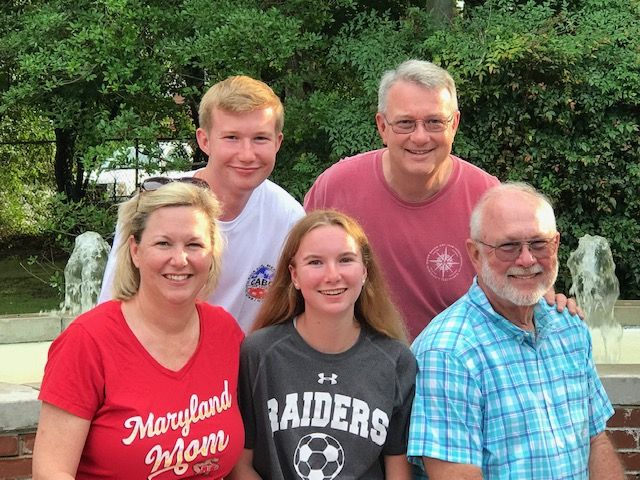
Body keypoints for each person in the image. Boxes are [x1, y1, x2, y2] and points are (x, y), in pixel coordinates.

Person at [408, 182, 625, 479]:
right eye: (508, 246)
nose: (527, 259)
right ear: (475, 254)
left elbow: (595, 440)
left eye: (539, 243)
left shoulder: (569, 329)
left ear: (556, 245)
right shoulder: (448, 353)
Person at [33, 181, 245, 479]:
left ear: (211, 254)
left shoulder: (225, 332)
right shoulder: (88, 341)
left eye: (194, 244)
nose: (180, 259)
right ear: (135, 251)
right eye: (163, 243)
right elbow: (50, 472)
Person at [99, 75, 305, 331]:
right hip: (157, 358)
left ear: (278, 142)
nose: (246, 154)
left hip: (242, 363)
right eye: (231, 137)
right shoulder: (154, 204)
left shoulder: (289, 217)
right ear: (204, 140)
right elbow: (114, 300)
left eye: (260, 138)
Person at [230, 210, 417, 479]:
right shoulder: (258, 353)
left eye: (345, 260)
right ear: (294, 275)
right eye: (315, 262)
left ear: (364, 271)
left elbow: (397, 467)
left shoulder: (396, 360)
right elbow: (240, 465)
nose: (332, 275)